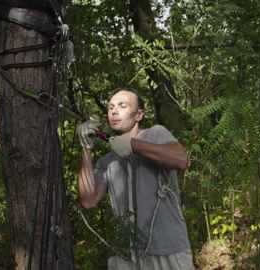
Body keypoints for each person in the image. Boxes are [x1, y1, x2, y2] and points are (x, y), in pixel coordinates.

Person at [77, 89, 194, 269]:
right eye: (110, 107)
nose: (114, 111)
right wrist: (86, 147)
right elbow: (88, 200)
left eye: (122, 106)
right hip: (126, 256)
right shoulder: (106, 162)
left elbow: (181, 160)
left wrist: (133, 145)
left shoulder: (156, 135)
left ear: (139, 115)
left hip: (168, 253)